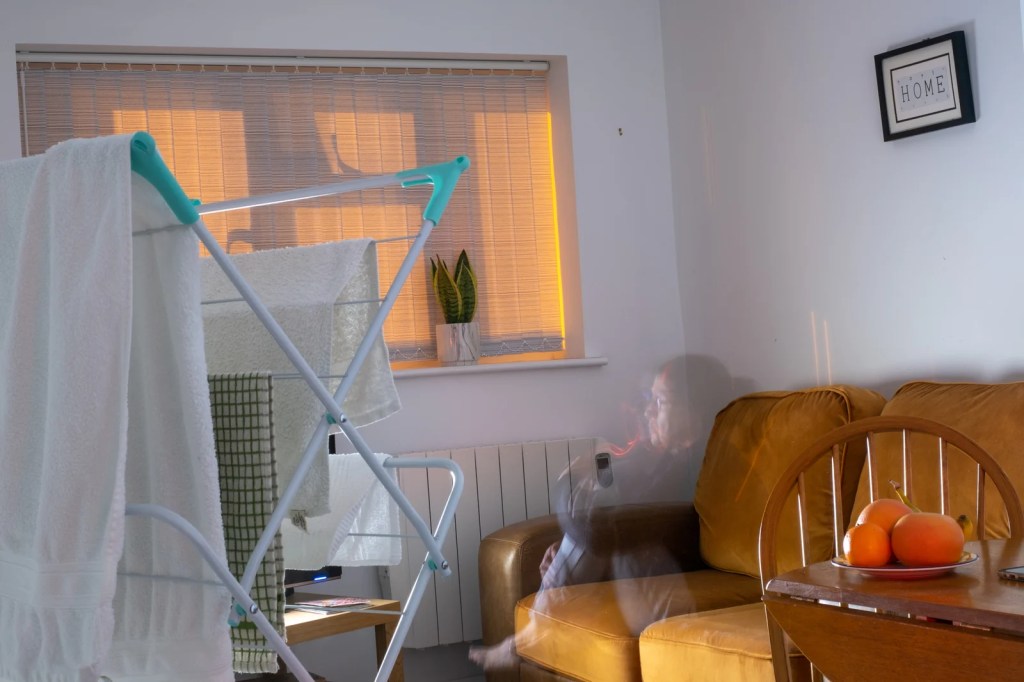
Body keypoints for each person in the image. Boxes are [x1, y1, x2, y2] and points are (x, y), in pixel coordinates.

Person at [469, 355, 698, 671]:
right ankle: (532, 632)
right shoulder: (654, 458)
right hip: (634, 549)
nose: (649, 411)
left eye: (662, 402)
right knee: (595, 526)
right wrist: (568, 545)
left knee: (602, 528)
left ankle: (524, 642)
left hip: (668, 558)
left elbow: (642, 520)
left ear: (694, 414)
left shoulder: (689, 464)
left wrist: (583, 538)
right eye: (650, 401)